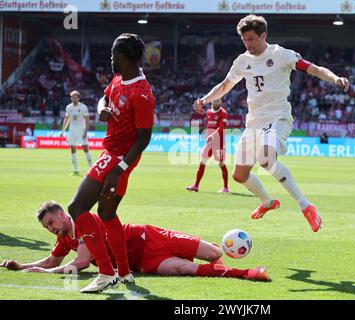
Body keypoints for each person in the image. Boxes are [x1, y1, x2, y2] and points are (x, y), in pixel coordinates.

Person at [193, 15, 349, 232]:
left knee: (266, 160)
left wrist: (335, 78)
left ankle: (306, 206)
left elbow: (313, 68)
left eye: (251, 39)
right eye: (244, 40)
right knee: (240, 175)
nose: (248, 44)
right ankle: (267, 202)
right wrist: (205, 99)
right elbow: (225, 85)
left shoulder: (281, 55)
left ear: (263, 35)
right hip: (254, 122)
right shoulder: (242, 61)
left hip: (278, 117)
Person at [65, 33, 155, 293]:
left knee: (77, 207)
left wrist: (119, 170)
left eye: (114, 54)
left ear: (124, 57)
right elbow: (104, 97)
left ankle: (105, 272)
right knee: (106, 214)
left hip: (117, 158)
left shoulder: (142, 93)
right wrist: (101, 109)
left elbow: (144, 139)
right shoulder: (119, 78)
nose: (111, 59)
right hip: (112, 155)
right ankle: (124, 272)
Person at [0, 201, 269, 284]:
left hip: (149, 236)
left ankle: (218, 255)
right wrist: (23, 266)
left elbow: (81, 262)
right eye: (48, 228)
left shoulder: (82, 221)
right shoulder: (66, 237)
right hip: (144, 261)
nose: (51, 230)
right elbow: (52, 260)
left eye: (51, 223)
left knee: (213, 253)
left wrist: (46, 272)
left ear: (61, 215)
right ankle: (246, 273)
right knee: (185, 269)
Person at [186, 99, 229, 193]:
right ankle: (196, 185)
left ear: (220, 102)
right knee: (202, 162)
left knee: (221, 163)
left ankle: (225, 187)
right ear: (211, 102)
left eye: (217, 101)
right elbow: (208, 126)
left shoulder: (223, 112)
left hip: (219, 143)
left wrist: (212, 136)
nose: (215, 102)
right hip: (209, 143)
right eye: (214, 101)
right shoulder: (209, 112)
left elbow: (222, 127)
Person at [59, 90, 93, 175]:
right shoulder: (68, 107)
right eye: (72, 97)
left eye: (75, 97)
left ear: (78, 98)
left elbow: (87, 120)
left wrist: (85, 131)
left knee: (85, 148)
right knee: (72, 149)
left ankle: (92, 169)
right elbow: (67, 119)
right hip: (72, 130)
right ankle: (76, 170)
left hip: (81, 130)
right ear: (71, 98)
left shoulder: (83, 107)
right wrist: (63, 131)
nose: (74, 99)